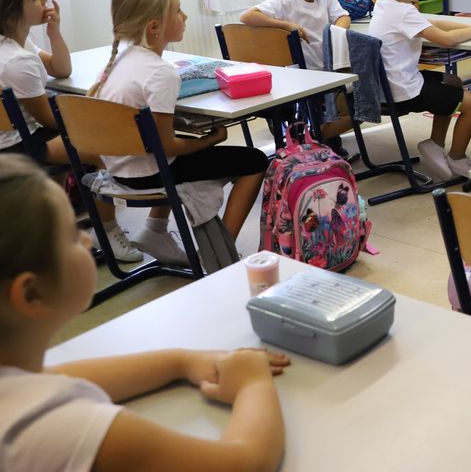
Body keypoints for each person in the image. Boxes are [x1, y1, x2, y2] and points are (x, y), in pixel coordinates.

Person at [0, 155, 288, 471]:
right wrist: (252, 383)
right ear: (31, 294)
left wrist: (181, 362)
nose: (85, 239)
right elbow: (247, 462)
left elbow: (62, 377)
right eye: (71, 235)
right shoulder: (55, 428)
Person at [90, 0, 268, 261]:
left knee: (188, 147)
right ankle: (221, 250)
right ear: (154, 27)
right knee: (255, 160)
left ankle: (154, 230)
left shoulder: (118, 62)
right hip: (148, 174)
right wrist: (211, 140)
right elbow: (167, 147)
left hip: (118, 168)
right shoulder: (161, 72)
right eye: (178, 10)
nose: (184, 16)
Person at [0, 0, 144, 262]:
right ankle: (108, 231)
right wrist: (91, 117)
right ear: (13, 11)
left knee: (82, 135)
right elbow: (49, 120)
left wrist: (54, 32)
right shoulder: (17, 61)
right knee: (101, 147)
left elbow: (61, 69)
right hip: (19, 146)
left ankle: (54, 230)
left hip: (17, 135)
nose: (44, 1)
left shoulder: (15, 44)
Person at [369, 0, 471, 181]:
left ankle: (435, 144)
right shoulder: (405, 14)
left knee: (452, 81)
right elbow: (446, 39)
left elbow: (431, 24)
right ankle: (457, 157)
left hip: (388, 88)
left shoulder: (386, 6)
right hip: (404, 92)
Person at [240, 0, 354, 150]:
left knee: (355, 99)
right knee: (353, 104)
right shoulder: (285, 1)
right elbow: (247, 16)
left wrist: (335, 32)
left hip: (328, 69)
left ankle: (319, 136)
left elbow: (343, 16)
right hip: (303, 76)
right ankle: (314, 136)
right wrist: (286, 25)